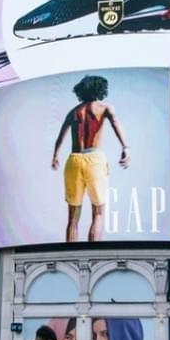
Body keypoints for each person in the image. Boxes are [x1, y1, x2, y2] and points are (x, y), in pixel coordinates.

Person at [51, 75, 130, 243]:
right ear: (101, 89)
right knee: (99, 213)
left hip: (73, 160)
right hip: (94, 159)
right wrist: (125, 148)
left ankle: (70, 258)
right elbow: (116, 124)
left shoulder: (73, 112)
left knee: (72, 219)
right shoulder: (105, 108)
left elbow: (60, 137)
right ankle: (92, 258)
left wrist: (55, 156)